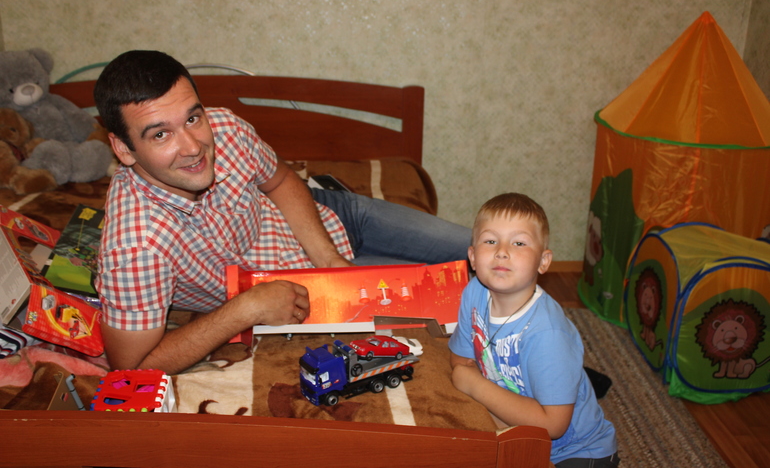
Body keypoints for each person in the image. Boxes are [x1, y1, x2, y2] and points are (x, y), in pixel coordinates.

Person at [93, 50, 470, 374]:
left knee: (478, 247)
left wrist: (330, 260)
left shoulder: (225, 128)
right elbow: (132, 366)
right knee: (458, 294)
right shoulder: (134, 248)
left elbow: (280, 180)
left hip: (328, 216)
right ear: (123, 149)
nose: (193, 147)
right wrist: (245, 309)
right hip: (302, 287)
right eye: (160, 134)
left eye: (193, 118)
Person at [448, 193, 618, 467]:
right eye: (490, 241)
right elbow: (460, 359)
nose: (502, 251)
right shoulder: (474, 292)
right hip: (516, 431)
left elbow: (554, 426)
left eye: (519, 243)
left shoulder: (548, 335)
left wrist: (475, 385)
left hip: (574, 452)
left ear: (543, 261)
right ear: (472, 257)